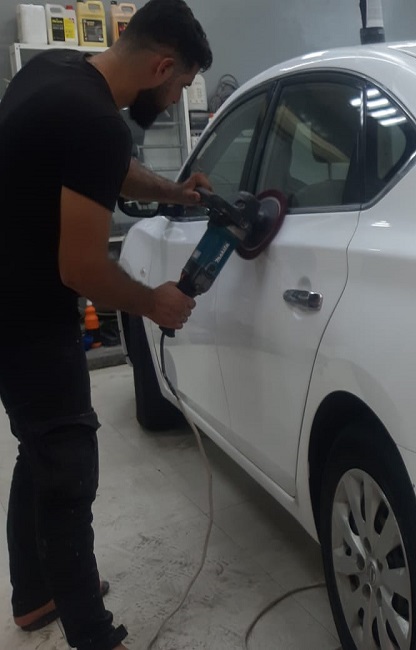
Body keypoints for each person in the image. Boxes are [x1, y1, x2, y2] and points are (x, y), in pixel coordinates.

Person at [0, 1, 214, 648]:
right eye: (180, 86)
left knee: (41, 448)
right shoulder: (96, 122)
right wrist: (154, 303)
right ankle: (95, 637)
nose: (174, 98)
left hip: (10, 292)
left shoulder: (57, 71)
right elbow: (82, 268)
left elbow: (102, 170)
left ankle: (36, 595)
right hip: (27, 312)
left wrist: (174, 192)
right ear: (162, 67)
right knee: (67, 464)